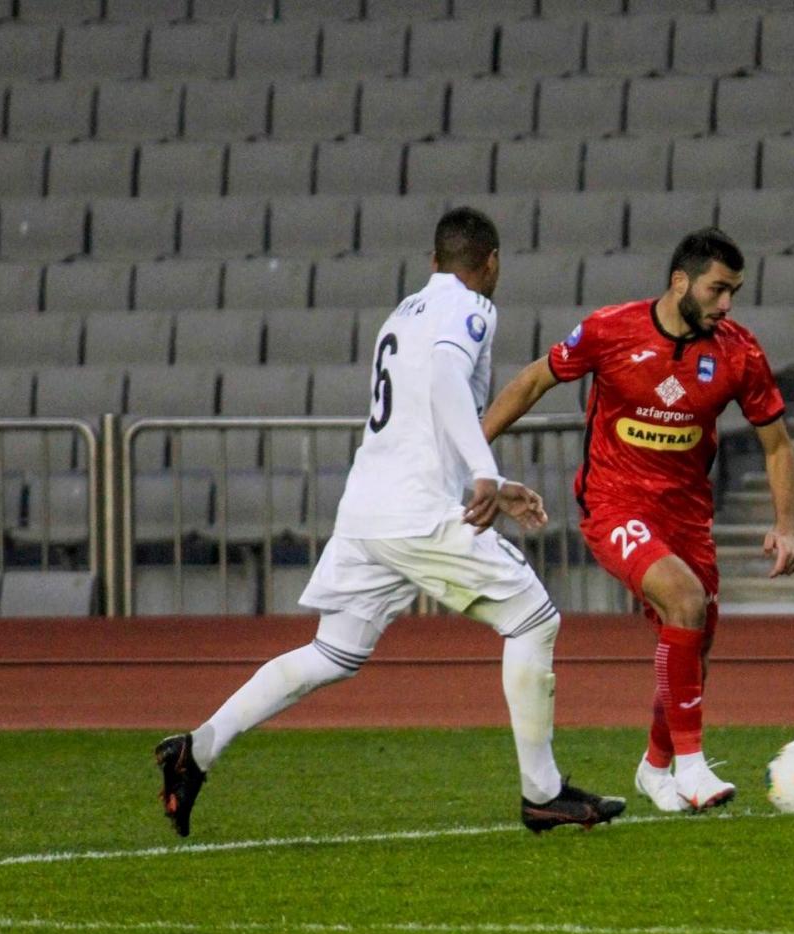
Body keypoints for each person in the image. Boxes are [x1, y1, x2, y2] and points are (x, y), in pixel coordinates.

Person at [155, 207, 625, 837]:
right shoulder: (472, 307)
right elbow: (445, 381)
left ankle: (197, 749)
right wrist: (484, 471)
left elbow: (418, 421)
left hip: (368, 510)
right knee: (535, 619)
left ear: (433, 261)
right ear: (491, 263)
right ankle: (542, 793)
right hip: (415, 513)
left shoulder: (402, 314)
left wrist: (489, 482)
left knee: (332, 652)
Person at [483, 228, 794, 814]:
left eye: (733, 292)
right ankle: (692, 766)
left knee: (694, 643)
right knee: (685, 600)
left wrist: (786, 526)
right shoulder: (610, 330)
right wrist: (473, 454)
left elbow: (777, 444)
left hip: (687, 514)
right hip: (614, 503)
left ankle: (656, 768)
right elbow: (532, 381)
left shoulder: (739, 352)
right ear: (680, 281)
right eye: (717, 289)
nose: (727, 304)